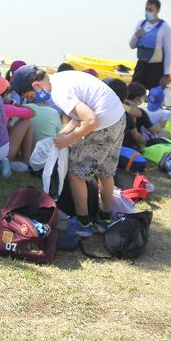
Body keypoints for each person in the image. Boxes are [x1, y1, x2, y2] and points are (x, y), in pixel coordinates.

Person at [12, 65, 126, 237]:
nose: (31, 101)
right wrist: (63, 133)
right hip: (118, 118)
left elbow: (91, 121)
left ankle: (84, 223)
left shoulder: (59, 93)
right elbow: (80, 115)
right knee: (105, 171)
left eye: (30, 96)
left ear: (36, 85)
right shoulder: (61, 78)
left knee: (75, 173)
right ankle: (104, 219)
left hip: (102, 124)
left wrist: (68, 140)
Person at [128, 0, 171, 90]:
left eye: (150, 10)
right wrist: (136, 36)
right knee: (133, 92)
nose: (147, 12)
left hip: (156, 68)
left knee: (155, 96)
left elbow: (168, 53)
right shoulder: (141, 24)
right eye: (146, 9)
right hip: (141, 66)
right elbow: (132, 45)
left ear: (157, 11)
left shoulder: (165, 28)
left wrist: (166, 75)